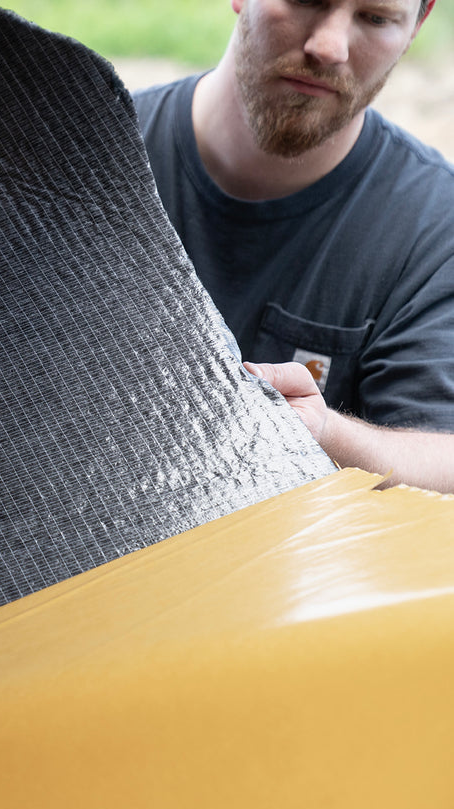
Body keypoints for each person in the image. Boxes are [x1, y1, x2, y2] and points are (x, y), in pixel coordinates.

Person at [134, 0, 454, 493]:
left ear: (418, 24)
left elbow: (443, 460)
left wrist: (322, 433)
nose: (329, 47)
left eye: (376, 18)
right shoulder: (86, 161)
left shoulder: (434, 226)